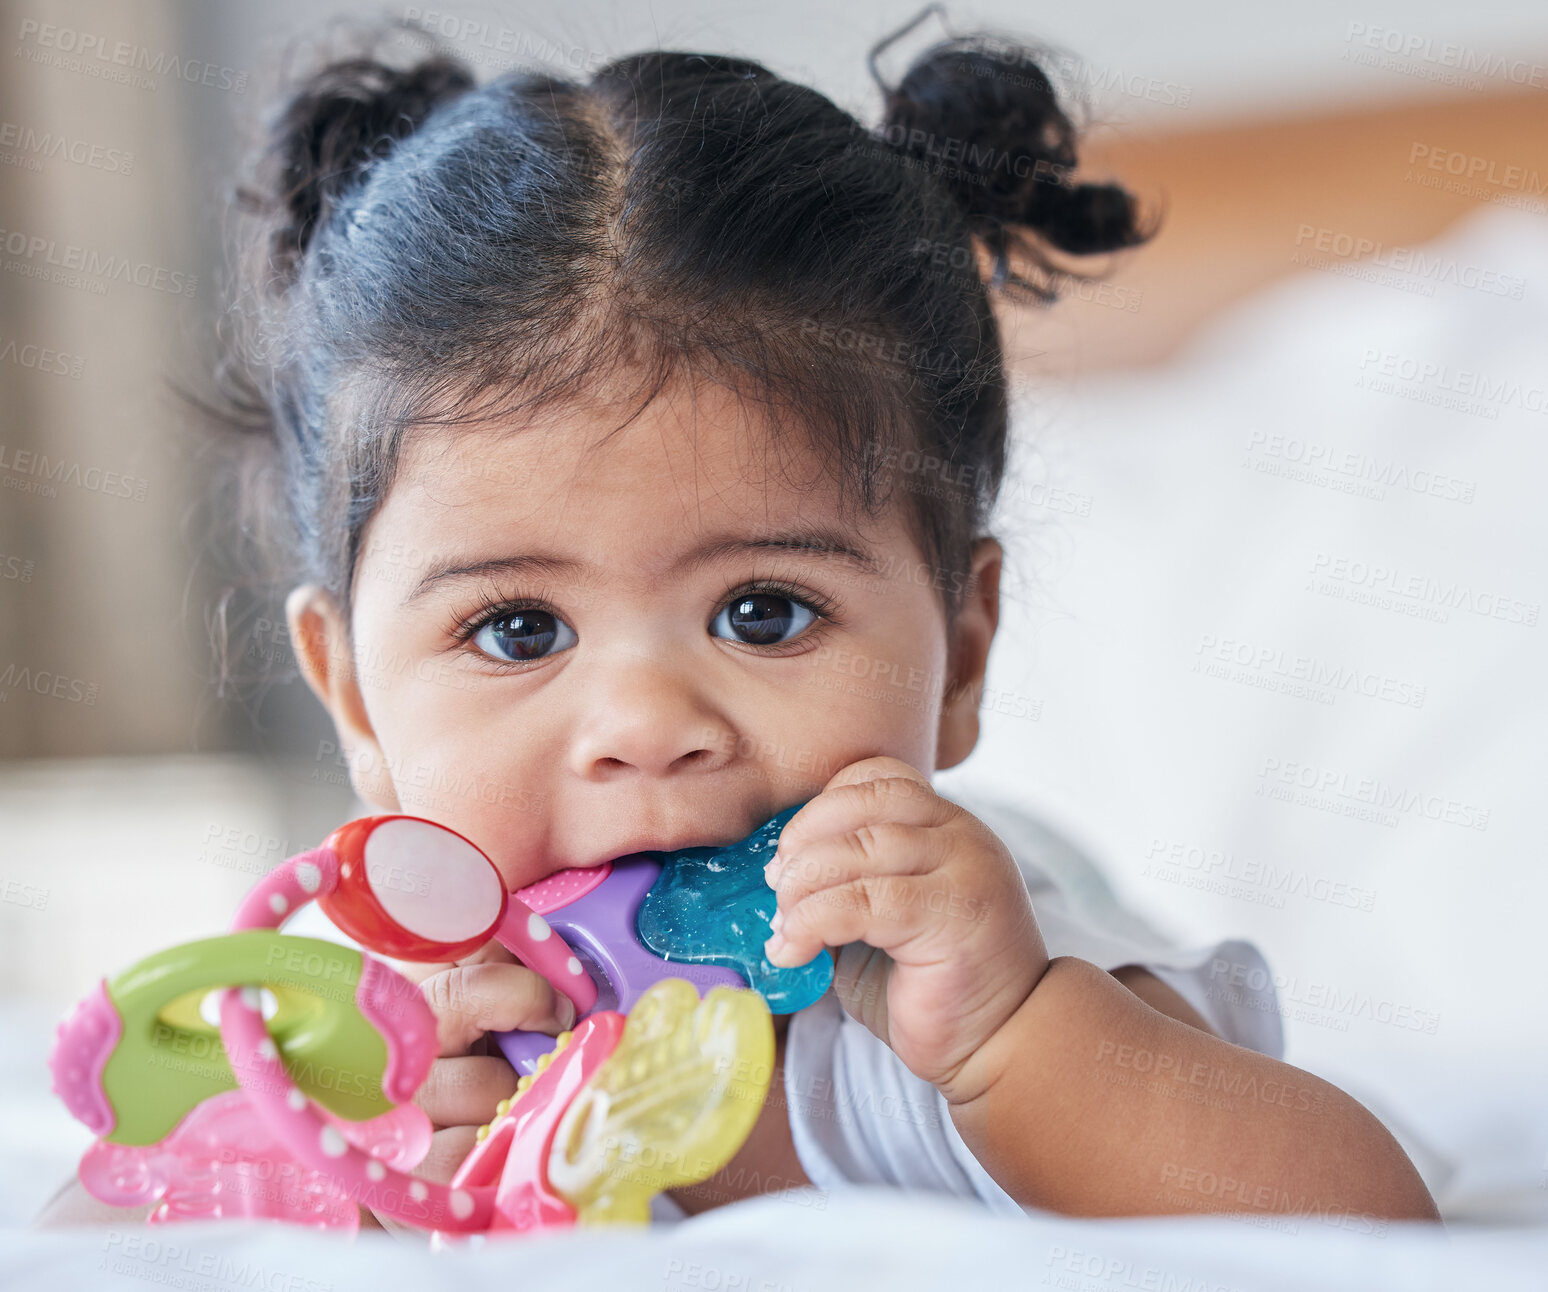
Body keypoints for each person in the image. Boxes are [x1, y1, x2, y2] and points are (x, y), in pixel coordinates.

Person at [36, 9, 1437, 1234]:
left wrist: (1014, 1039)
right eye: (519, 631)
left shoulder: (968, 974)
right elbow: (135, 1205)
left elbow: (1367, 1227)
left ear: (963, 652)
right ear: (354, 699)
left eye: (764, 613)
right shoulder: (386, 1010)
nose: (648, 726)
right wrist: (369, 1162)